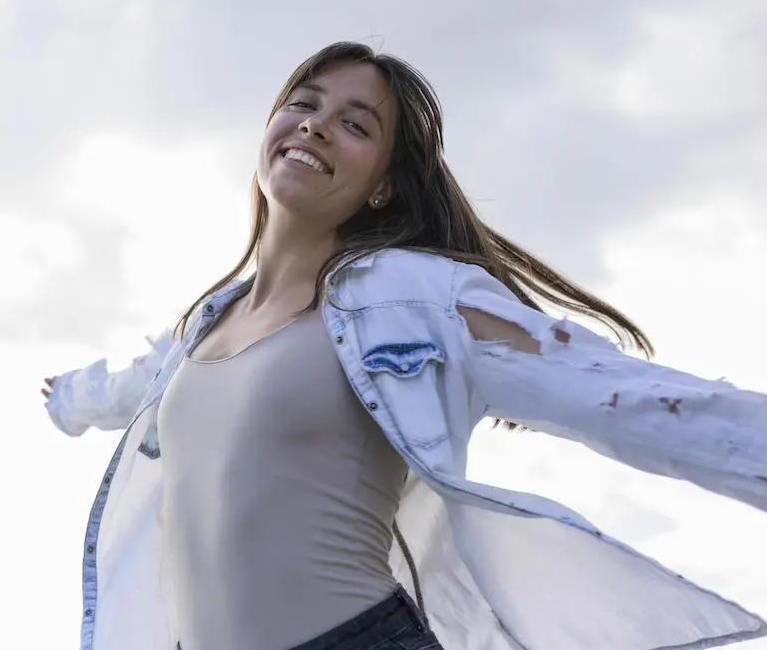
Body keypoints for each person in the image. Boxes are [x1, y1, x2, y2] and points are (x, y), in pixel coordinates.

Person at [41, 41, 767, 650]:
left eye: (355, 125)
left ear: (384, 187)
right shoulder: (203, 327)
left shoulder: (414, 298)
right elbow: (129, 389)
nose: (316, 126)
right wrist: (68, 401)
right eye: (304, 103)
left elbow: (632, 401)